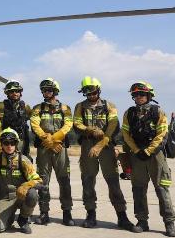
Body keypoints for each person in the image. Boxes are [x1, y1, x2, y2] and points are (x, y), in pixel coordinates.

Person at [73, 76, 139, 232]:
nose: (90, 95)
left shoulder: (109, 106)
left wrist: (102, 142)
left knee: (113, 182)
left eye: (93, 92)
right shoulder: (80, 106)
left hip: (106, 145)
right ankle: (90, 214)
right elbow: (76, 123)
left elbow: (114, 124)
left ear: (98, 90)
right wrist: (89, 129)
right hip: (87, 145)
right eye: (87, 93)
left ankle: (122, 216)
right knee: (88, 181)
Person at [122, 81, 175, 237]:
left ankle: (169, 223)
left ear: (149, 95)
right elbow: (125, 134)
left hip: (155, 156)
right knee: (138, 190)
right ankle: (142, 221)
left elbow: (162, 134)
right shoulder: (129, 113)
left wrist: (148, 150)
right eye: (135, 95)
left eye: (141, 94)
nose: (138, 97)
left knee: (162, 189)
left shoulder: (158, 112)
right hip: (137, 154)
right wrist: (136, 150)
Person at [30, 78, 74, 226]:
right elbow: (35, 125)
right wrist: (47, 140)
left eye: (49, 90)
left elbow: (68, 125)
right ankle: (44, 213)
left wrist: (55, 139)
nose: (46, 92)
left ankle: (67, 213)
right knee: (43, 181)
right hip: (44, 148)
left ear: (55, 91)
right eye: (44, 90)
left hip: (60, 147)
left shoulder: (65, 108)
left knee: (64, 181)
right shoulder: (37, 108)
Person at [0, 128, 41, 234]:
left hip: (22, 196)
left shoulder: (24, 160)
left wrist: (26, 185)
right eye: (6, 143)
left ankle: (23, 219)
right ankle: (9, 215)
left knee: (32, 194)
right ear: (2, 145)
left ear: (16, 144)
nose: (9, 146)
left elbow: (38, 180)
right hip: (6, 197)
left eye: (12, 143)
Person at [0, 80, 32, 159]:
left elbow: (35, 118)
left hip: (21, 141)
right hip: (6, 142)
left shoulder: (26, 107)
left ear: (20, 93)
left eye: (17, 91)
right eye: (12, 91)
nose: (15, 93)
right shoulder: (0, 106)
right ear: (7, 93)